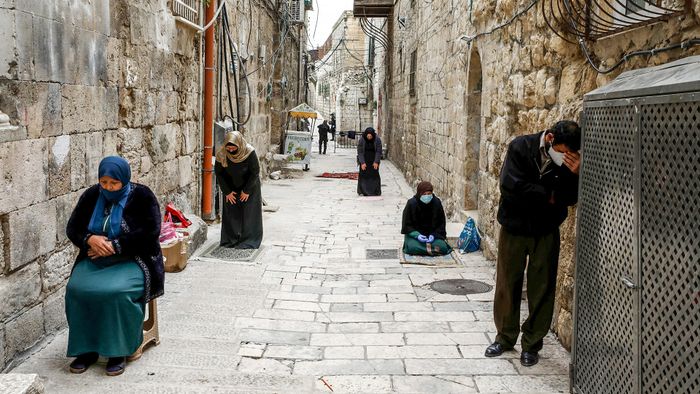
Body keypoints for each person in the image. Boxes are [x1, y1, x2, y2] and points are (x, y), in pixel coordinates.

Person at [485, 120, 581, 367]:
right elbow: (510, 186)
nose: (564, 156)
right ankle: (505, 338)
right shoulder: (520, 146)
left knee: (543, 287)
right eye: (561, 151)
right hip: (514, 227)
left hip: (546, 229)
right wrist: (548, 195)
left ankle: (532, 344)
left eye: (569, 153)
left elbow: (569, 198)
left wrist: (575, 174)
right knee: (507, 282)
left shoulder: (570, 161)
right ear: (549, 138)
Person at [65, 156, 164, 376]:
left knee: (115, 292)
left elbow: (151, 232)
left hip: (133, 260)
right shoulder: (91, 195)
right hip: (95, 259)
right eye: (104, 182)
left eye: (114, 183)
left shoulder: (142, 196)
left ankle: (118, 351)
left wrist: (115, 245)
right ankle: (86, 350)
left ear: (124, 179)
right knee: (77, 290)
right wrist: (90, 239)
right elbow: (73, 228)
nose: (108, 188)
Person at [215, 131, 263, 249]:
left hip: (250, 186)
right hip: (231, 186)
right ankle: (230, 240)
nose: (230, 149)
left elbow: (255, 172)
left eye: (233, 146)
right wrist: (227, 191)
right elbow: (219, 173)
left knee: (249, 213)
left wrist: (246, 191)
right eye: (228, 146)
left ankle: (249, 240)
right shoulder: (222, 154)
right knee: (231, 213)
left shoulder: (249, 152)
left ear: (239, 144)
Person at [401, 181, 453, 256]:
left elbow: (441, 224)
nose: (427, 196)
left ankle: (423, 249)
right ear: (419, 194)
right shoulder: (411, 204)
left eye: (429, 194)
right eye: (424, 194)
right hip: (416, 237)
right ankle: (431, 250)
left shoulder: (436, 203)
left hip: (433, 237)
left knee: (443, 247)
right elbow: (407, 225)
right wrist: (417, 235)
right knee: (413, 247)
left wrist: (434, 235)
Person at [357, 127, 382, 196]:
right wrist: (362, 162)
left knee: (374, 175)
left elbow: (378, 151)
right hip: (365, 159)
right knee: (364, 175)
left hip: (373, 160)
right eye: (368, 136)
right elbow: (360, 152)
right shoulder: (362, 140)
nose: (369, 137)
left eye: (370, 136)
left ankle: (374, 191)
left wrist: (376, 161)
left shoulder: (377, 140)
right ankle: (363, 191)